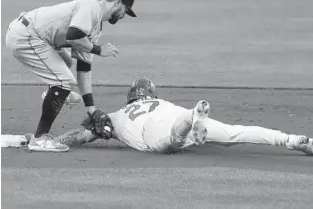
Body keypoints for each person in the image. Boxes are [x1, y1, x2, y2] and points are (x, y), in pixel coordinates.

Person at [5, 0, 137, 152]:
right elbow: (73, 36)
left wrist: (91, 108)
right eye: (125, 9)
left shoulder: (96, 28)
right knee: (64, 81)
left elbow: (84, 68)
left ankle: (51, 93)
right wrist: (99, 50)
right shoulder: (91, 7)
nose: (123, 15)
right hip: (25, 35)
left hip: (37, 37)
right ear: (118, 3)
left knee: (66, 65)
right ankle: (39, 139)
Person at [55, 78, 313, 156]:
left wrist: (57, 139)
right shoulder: (161, 101)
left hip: (153, 131)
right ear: (151, 94)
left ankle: (192, 118)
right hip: (175, 113)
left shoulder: (116, 114)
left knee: (171, 143)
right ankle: (291, 140)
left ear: (130, 98)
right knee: (235, 133)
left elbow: (81, 136)